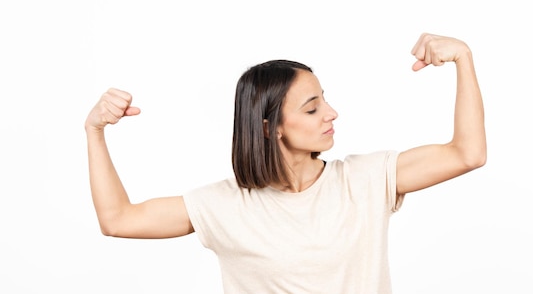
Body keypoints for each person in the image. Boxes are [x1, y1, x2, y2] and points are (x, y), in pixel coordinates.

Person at [84, 32, 486, 294]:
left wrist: (463, 59)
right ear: (270, 127)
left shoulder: (365, 180)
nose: (331, 113)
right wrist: (95, 131)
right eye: (312, 109)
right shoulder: (224, 205)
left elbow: (467, 154)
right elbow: (118, 220)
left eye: (324, 99)